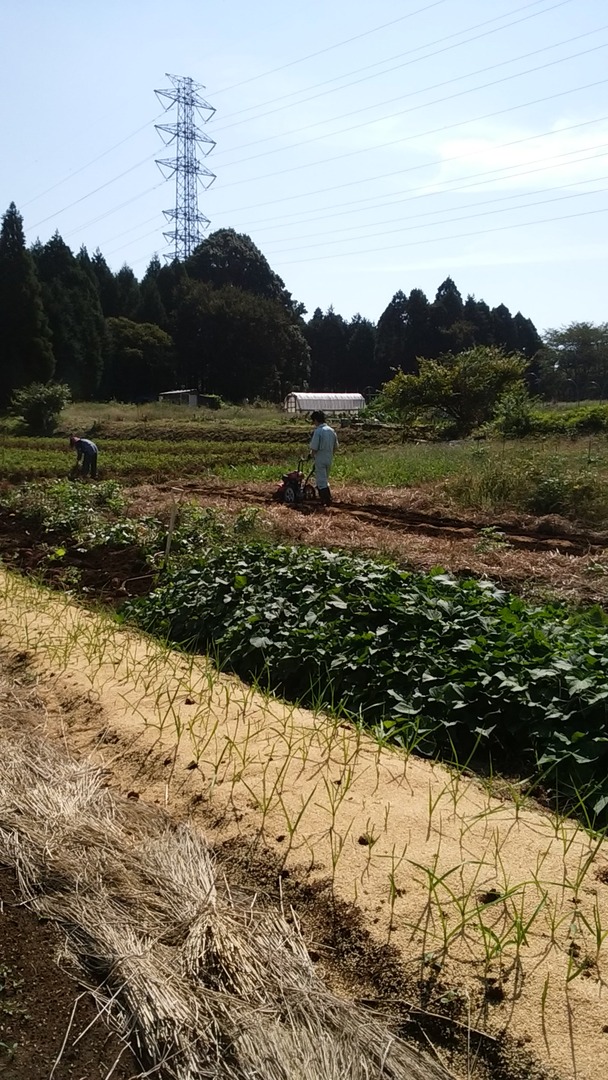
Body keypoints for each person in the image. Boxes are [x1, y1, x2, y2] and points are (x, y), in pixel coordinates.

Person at [309, 410, 338, 506]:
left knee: (321, 481)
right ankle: (326, 498)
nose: (314, 423)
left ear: (316, 420)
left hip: (320, 458)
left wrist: (312, 456)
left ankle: (326, 500)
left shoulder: (318, 431)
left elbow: (314, 448)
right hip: (329, 458)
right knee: (325, 478)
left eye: (314, 421)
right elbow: (335, 447)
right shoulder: (331, 430)